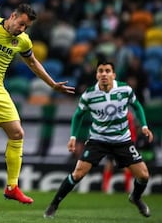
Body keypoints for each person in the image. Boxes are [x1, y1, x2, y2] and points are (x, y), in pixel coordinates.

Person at [0, 3, 75, 208]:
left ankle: (12, 187)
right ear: (12, 16)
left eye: (26, 27)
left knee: (17, 133)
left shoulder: (22, 41)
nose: (22, 29)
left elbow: (33, 63)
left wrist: (52, 84)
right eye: (20, 24)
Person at [44, 61, 153, 218]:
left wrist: (143, 126)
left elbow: (137, 106)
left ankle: (135, 197)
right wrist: (73, 137)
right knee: (77, 174)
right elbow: (78, 115)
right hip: (98, 141)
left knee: (143, 175)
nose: (104, 74)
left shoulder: (125, 89)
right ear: (96, 75)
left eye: (107, 71)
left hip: (122, 140)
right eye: (100, 71)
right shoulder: (89, 94)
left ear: (113, 75)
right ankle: (53, 205)